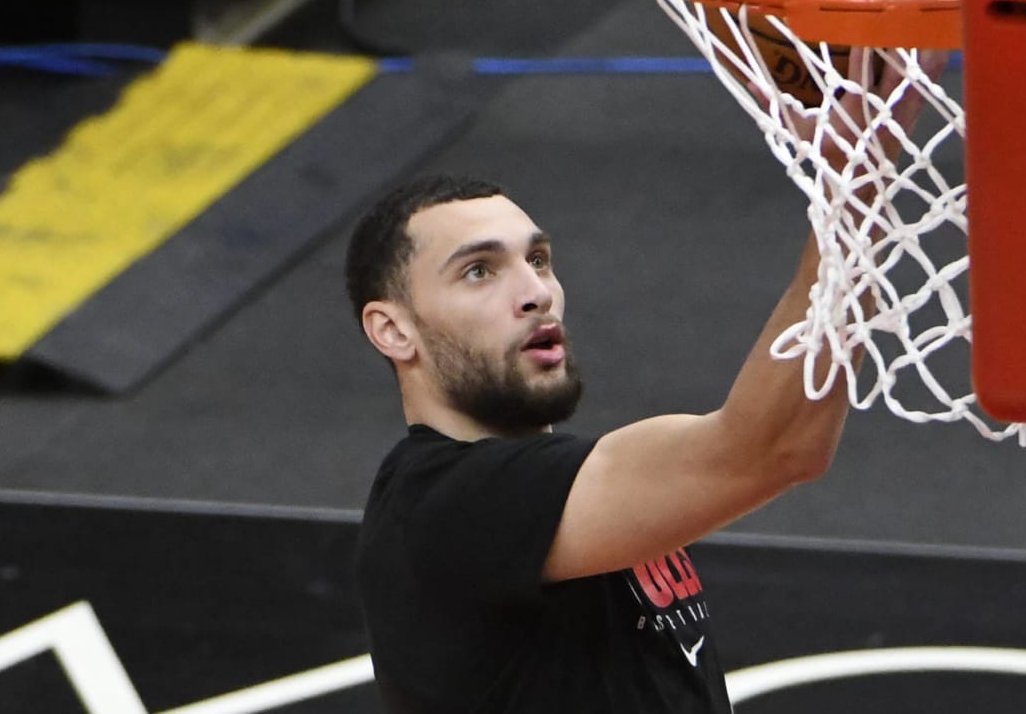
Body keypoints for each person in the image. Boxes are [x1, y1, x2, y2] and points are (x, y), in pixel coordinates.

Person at [345, 51, 911, 713]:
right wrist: (853, 186)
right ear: (392, 331)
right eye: (479, 271)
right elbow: (771, 448)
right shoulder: (446, 506)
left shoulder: (545, 491)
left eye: (539, 259)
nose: (536, 293)